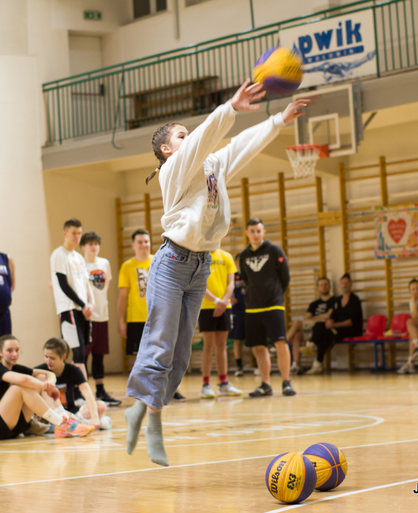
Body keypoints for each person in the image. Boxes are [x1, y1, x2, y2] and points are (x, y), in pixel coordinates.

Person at [124, 81, 308, 467]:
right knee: (160, 345)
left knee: (180, 357)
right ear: (166, 149)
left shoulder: (211, 165)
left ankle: (144, 408)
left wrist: (278, 120)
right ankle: (151, 423)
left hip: (200, 267)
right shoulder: (173, 169)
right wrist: (231, 107)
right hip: (172, 264)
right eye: (181, 135)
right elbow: (205, 136)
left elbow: (241, 145)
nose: (188, 137)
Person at [0, 335, 94, 440]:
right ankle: (60, 423)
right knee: (19, 388)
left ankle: (63, 417)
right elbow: (24, 380)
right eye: (9, 351)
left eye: (17, 350)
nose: (14, 354)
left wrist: (50, 384)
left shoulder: (14, 367)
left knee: (41, 377)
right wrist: (47, 387)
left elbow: (48, 374)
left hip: (13, 427)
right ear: (0, 352)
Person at [240, 218, 295, 396]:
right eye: (252, 231)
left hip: (273, 305)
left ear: (264, 232)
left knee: (280, 342)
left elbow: (285, 277)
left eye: (258, 231)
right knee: (258, 347)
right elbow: (246, 280)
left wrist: (275, 295)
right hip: (253, 308)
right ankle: (266, 384)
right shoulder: (244, 256)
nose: (255, 234)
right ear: (247, 233)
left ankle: (286, 382)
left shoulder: (274, 250)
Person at [80, 231, 121, 406]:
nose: (94, 247)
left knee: (99, 355)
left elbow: (105, 287)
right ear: (83, 246)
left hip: (103, 315)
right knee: (84, 356)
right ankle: (81, 392)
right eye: (90, 244)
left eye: (96, 244)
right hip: (87, 316)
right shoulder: (79, 264)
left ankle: (101, 391)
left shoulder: (104, 263)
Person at [35, 338, 111, 430]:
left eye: (52, 358)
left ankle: (71, 423)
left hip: (72, 413)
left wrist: (95, 418)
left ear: (63, 356)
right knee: (40, 378)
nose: (48, 361)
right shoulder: (40, 372)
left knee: (101, 406)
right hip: (51, 414)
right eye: (46, 357)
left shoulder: (73, 370)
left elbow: (87, 393)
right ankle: (80, 423)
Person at [50, 219, 95, 368]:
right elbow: (64, 285)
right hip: (69, 308)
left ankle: (81, 382)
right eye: (74, 233)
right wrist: (83, 304)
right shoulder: (59, 254)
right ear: (65, 233)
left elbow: (86, 284)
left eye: (79, 233)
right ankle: (75, 384)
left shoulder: (79, 258)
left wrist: (90, 304)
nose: (77, 236)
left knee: (84, 352)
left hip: (83, 309)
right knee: (77, 351)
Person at [199, 248, 242, 398]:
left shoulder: (226, 256)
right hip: (206, 307)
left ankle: (224, 384)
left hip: (225, 307)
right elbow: (200, 284)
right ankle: (205, 385)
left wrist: (224, 302)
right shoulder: (200, 256)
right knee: (208, 346)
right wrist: (217, 301)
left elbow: (231, 283)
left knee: (222, 345)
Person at [315, 274, 363, 374]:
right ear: (340, 285)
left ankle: (318, 361)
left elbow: (351, 321)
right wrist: (330, 321)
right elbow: (333, 315)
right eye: (342, 283)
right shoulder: (337, 300)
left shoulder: (355, 300)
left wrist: (334, 325)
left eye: (347, 283)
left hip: (351, 329)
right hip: (337, 328)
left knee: (327, 335)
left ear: (350, 284)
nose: (344, 285)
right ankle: (313, 346)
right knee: (320, 326)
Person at [286, 278, 334, 375]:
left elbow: (328, 315)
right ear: (318, 288)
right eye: (321, 285)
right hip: (312, 326)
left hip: (322, 328)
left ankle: (279, 345)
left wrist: (315, 318)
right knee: (297, 334)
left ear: (329, 286)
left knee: (297, 323)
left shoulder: (333, 301)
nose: (323, 287)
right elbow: (307, 318)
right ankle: (296, 365)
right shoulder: (314, 304)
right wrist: (320, 317)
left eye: (325, 284)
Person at [230, 260, 247, 377]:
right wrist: (230, 297)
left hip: (249, 309)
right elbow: (226, 286)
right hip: (236, 311)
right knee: (237, 340)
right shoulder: (232, 275)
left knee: (253, 340)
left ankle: (257, 366)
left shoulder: (249, 273)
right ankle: (239, 367)